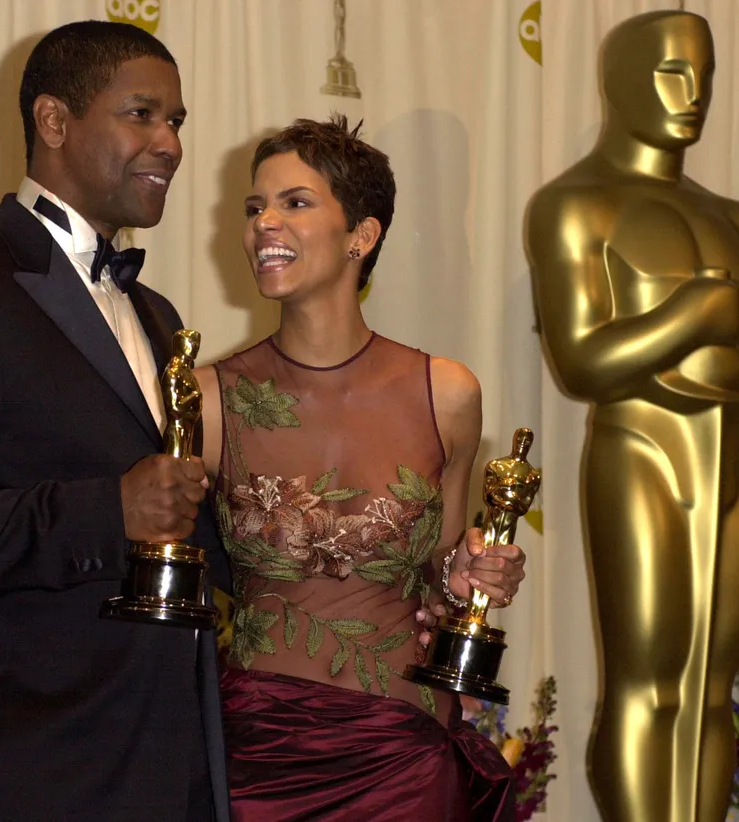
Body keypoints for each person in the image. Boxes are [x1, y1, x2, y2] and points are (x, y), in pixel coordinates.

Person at [0, 21, 231, 821]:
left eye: (176, 121)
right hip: (26, 773)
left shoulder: (158, 315)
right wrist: (107, 511)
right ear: (54, 121)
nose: (169, 144)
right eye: (141, 114)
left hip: (165, 766)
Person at [194, 116, 527, 821]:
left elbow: (439, 570)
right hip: (256, 761)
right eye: (255, 207)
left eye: (295, 202)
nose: (264, 223)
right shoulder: (208, 400)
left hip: (403, 762)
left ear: (362, 235)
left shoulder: (447, 394)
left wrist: (471, 574)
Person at [523, 10, 739, 822]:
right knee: (646, 683)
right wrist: (695, 314)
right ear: (621, 80)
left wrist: (673, 354)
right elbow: (581, 362)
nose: (692, 94)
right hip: (638, 453)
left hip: (728, 466)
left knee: (711, 689)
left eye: (704, 75)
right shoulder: (574, 207)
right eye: (672, 73)